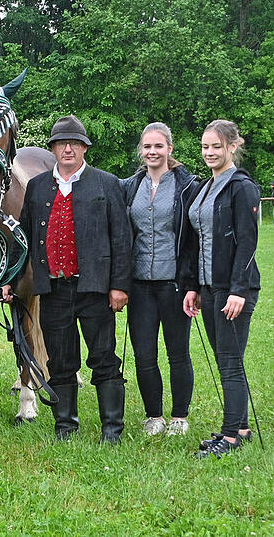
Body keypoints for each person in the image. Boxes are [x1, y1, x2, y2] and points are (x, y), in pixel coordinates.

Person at [1, 115, 132, 443]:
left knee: (103, 359)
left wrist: (119, 286)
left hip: (94, 288)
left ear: (85, 148)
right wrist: (10, 279)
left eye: (74, 143)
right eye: (62, 144)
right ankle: (65, 427)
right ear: (54, 149)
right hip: (54, 289)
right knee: (60, 361)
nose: (68, 149)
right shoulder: (38, 187)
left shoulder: (106, 184)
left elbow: (122, 239)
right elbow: (24, 239)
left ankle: (112, 430)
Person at [181, 119, 259, 459]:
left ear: (233, 146)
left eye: (216, 146)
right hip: (209, 287)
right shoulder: (204, 187)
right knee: (226, 358)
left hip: (234, 290)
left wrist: (238, 290)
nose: (210, 152)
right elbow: (197, 241)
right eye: (205, 146)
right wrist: (194, 287)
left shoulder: (241, 187)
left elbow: (247, 242)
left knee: (230, 361)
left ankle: (229, 438)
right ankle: (241, 428)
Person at [121, 122, 199, 436]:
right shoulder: (130, 186)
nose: (152, 152)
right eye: (147, 147)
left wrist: (192, 284)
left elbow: (193, 240)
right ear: (141, 150)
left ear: (169, 149)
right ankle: (154, 416)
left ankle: (179, 417)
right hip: (139, 284)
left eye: (158, 146)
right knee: (144, 354)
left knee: (178, 353)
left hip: (174, 284)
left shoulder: (187, 187)